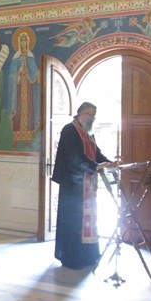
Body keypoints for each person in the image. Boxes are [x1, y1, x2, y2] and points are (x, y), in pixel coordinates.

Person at [51, 102, 117, 270]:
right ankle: (72, 258)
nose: (92, 118)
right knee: (74, 222)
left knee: (89, 220)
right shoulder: (69, 130)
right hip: (72, 184)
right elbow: (74, 157)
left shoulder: (88, 132)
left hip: (87, 183)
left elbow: (96, 153)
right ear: (80, 113)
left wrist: (109, 163)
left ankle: (88, 256)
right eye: (90, 115)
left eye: (94, 115)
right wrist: (95, 166)